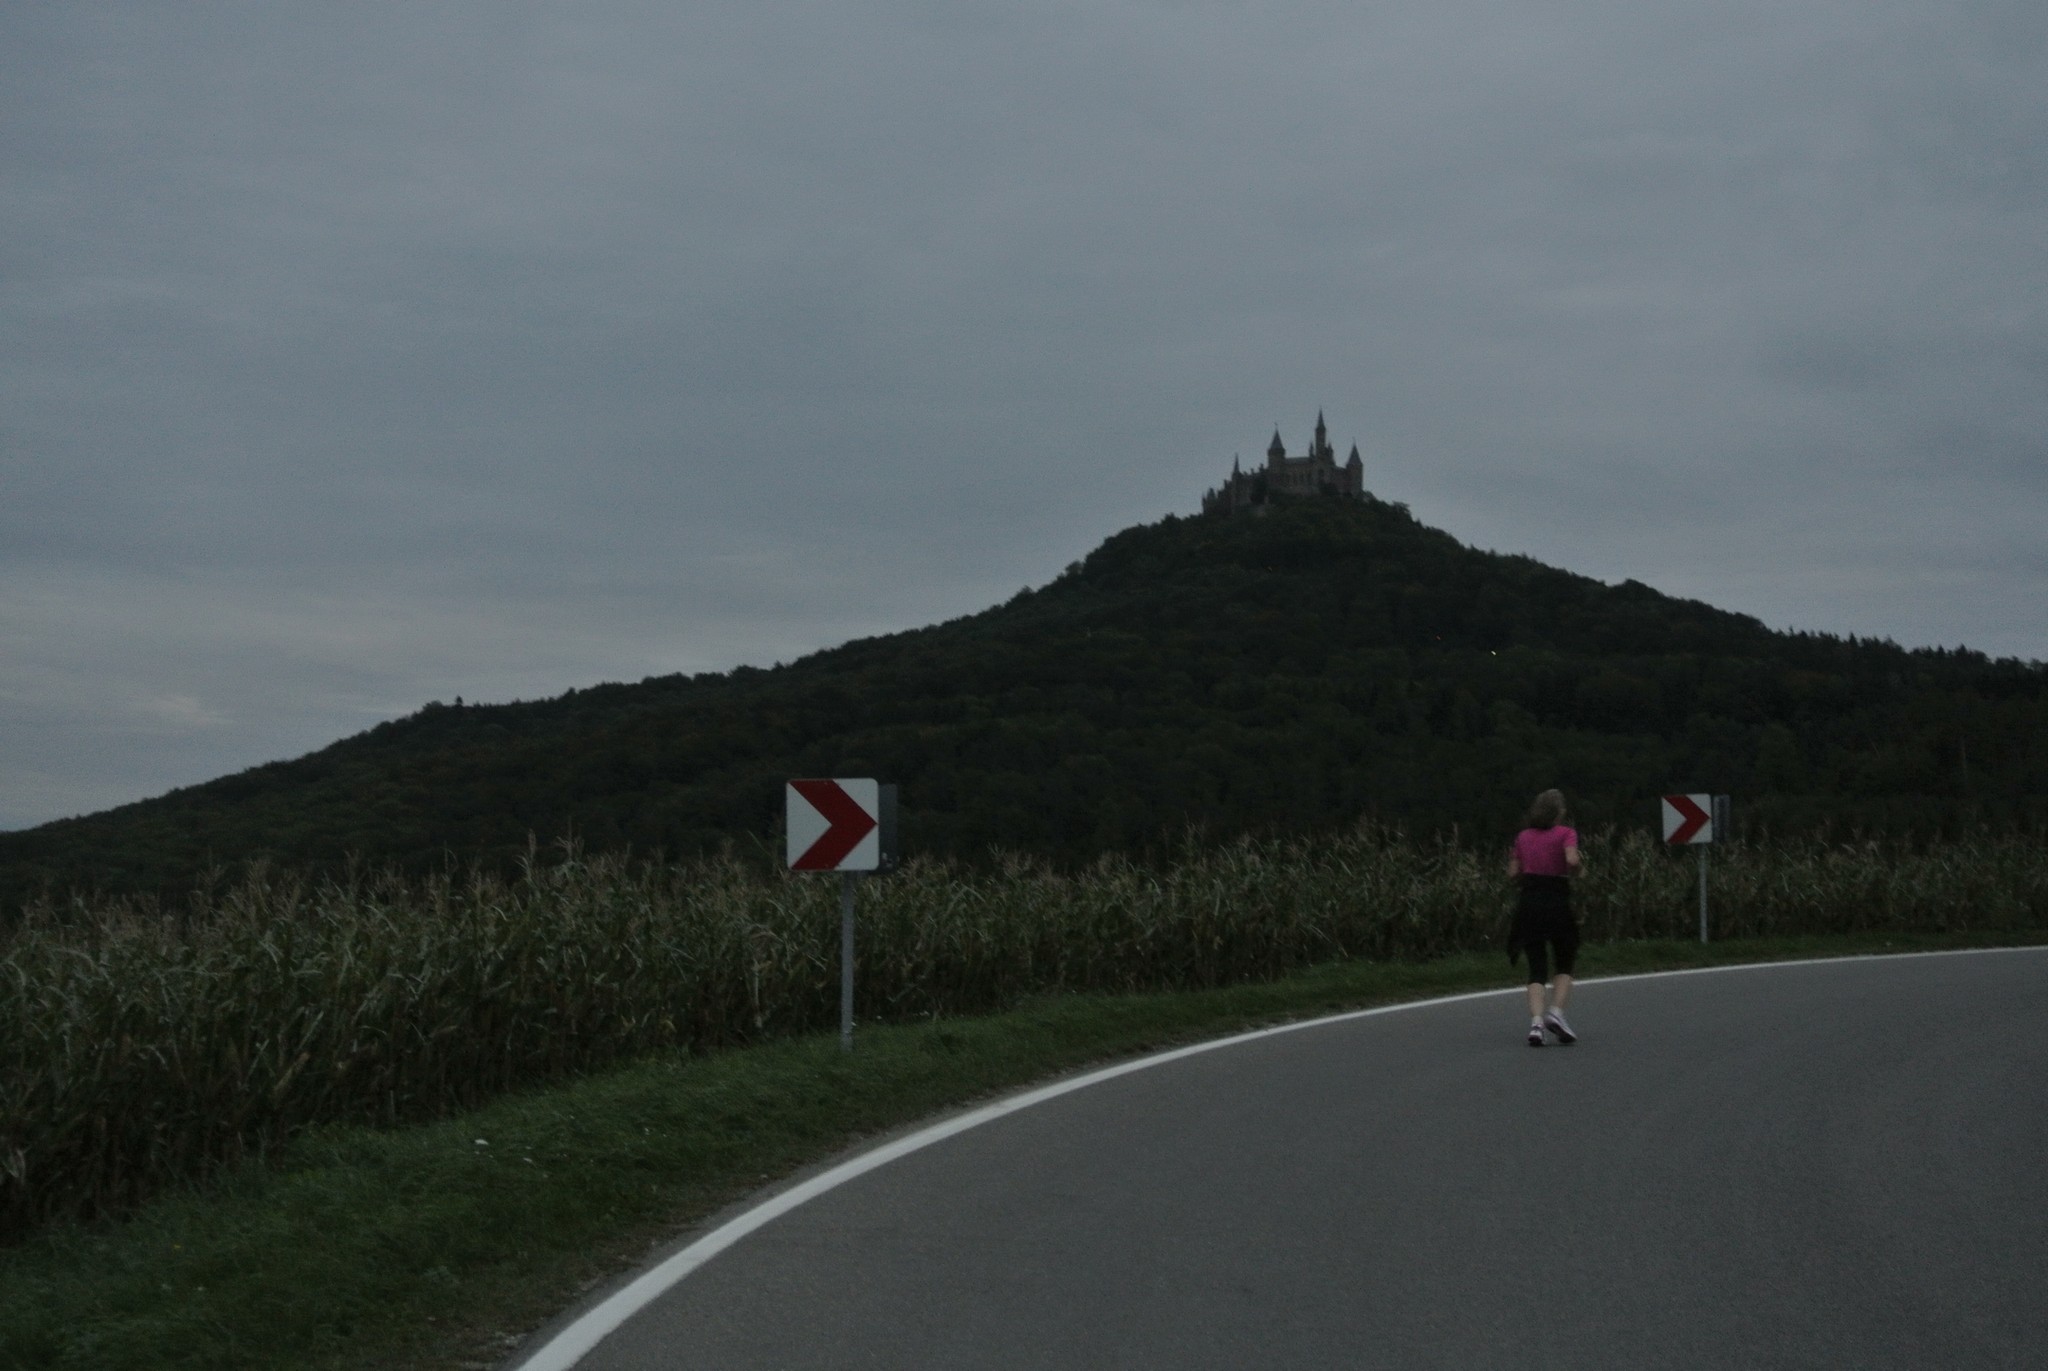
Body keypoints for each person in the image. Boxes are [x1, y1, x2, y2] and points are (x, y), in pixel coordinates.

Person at [1506, 788, 1580, 1046]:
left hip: (1529, 902)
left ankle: (1536, 1023)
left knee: (1536, 965)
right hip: (1556, 900)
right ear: (1559, 812)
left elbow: (1512, 873)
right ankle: (1556, 1013)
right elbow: (1572, 860)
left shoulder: (1523, 836)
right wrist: (1578, 869)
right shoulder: (1566, 833)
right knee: (1564, 959)